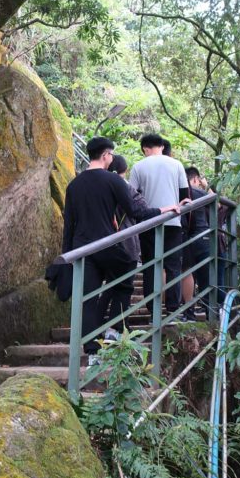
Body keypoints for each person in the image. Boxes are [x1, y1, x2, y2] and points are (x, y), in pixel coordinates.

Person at [62, 137, 180, 364]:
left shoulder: (73, 185)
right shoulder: (112, 181)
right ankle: (115, 330)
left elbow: (69, 225)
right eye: (111, 155)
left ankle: (92, 352)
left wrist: (66, 256)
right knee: (125, 282)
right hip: (106, 244)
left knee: (88, 299)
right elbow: (137, 210)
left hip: (81, 249)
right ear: (106, 155)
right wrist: (166, 208)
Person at [129, 133, 190, 320]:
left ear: (145, 149)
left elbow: (132, 197)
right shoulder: (177, 164)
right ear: (162, 146)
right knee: (172, 266)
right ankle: (172, 309)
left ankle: (152, 309)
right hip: (173, 221)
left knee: (150, 267)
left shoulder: (138, 167)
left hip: (148, 223)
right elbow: (184, 195)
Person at [100, 154, 148, 331]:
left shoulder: (101, 187)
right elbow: (141, 208)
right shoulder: (125, 188)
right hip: (127, 243)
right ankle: (119, 326)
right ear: (124, 170)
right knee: (125, 287)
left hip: (106, 243)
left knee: (111, 286)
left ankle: (98, 324)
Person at [181, 167, 212, 320]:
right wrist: (206, 188)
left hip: (188, 238)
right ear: (194, 179)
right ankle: (209, 313)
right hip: (204, 237)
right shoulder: (200, 193)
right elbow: (217, 205)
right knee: (205, 279)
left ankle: (189, 312)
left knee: (187, 273)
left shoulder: (182, 194)